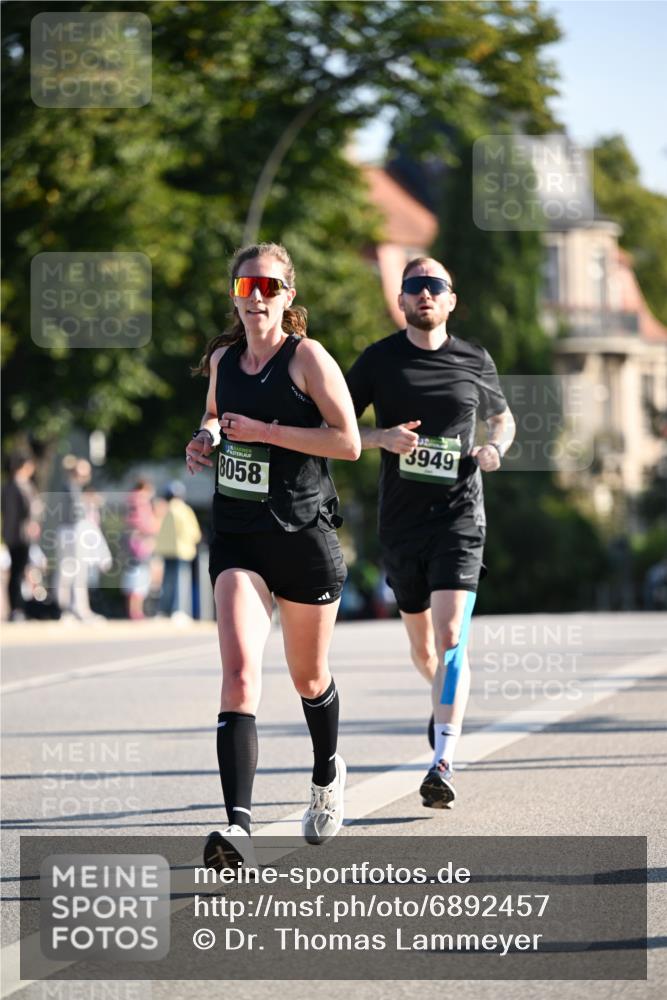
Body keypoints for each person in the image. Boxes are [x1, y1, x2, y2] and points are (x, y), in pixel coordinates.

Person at [186, 241, 360, 869]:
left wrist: (266, 433)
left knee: (308, 677)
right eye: (245, 286)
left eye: (268, 287)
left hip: (302, 533)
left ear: (288, 295)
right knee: (238, 675)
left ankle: (327, 773)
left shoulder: (307, 358)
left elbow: (349, 442)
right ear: (234, 294)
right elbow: (214, 413)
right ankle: (238, 828)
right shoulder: (223, 359)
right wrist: (205, 438)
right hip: (239, 534)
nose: (256, 297)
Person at [346, 257, 515, 808]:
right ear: (401, 300)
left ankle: (442, 759)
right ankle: (444, 698)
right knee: (424, 650)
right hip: (401, 522)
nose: (425, 293)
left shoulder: (474, 359)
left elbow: (502, 418)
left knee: (450, 639)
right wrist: (381, 438)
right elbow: (335, 427)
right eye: (414, 286)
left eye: (435, 286)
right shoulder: (378, 360)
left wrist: (495, 448)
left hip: (460, 517)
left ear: (450, 300)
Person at [1, 450, 41, 621]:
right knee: (18, 571)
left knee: (20, 571)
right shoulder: (17, 486)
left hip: (16, 534)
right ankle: (17, 608)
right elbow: (23, 511)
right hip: (19, 535)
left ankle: (19, 607)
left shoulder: (14, 485)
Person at [154, 480, 201, 619]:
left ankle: (164, 611)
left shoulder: (162, 509)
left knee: (167, 582)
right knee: (181, 581)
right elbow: (195, 533)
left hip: (166, 550)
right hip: (183, 551)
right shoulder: (185, 510)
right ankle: (179, 610)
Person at [121, 479, 159, 620]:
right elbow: (145, 523)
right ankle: (136, 611)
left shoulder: (132, 501)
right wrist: (153, 528)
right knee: (139, 577)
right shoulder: (140, 501)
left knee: (135, 576)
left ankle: (135, 610)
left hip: (134, 542)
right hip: (141, 542)